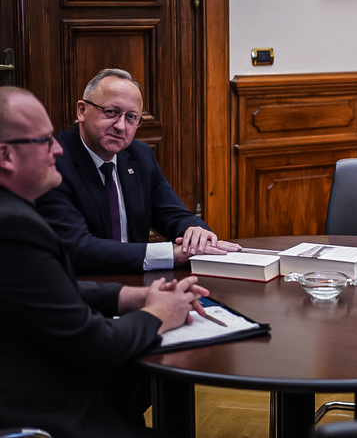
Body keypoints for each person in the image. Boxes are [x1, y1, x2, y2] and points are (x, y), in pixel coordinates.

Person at [0, 86, 211, 438]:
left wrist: (127, 297)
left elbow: (44, 293)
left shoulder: (13, 212)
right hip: (48, 412)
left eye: (132, 118)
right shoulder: (13, 226)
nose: (55, 148)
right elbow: (94, 343)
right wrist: (159, 313)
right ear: (6, 156)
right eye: (44, 140)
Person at [36, 68, 240, 274]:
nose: (121, 126)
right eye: (111, 112)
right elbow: (78, 248)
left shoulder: (139, 155)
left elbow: (172, 214)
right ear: (82, 110)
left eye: (131, 117)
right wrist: (171, 254)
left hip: (137, 279)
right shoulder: (53, 163)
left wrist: (194, 231)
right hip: (80, 286)